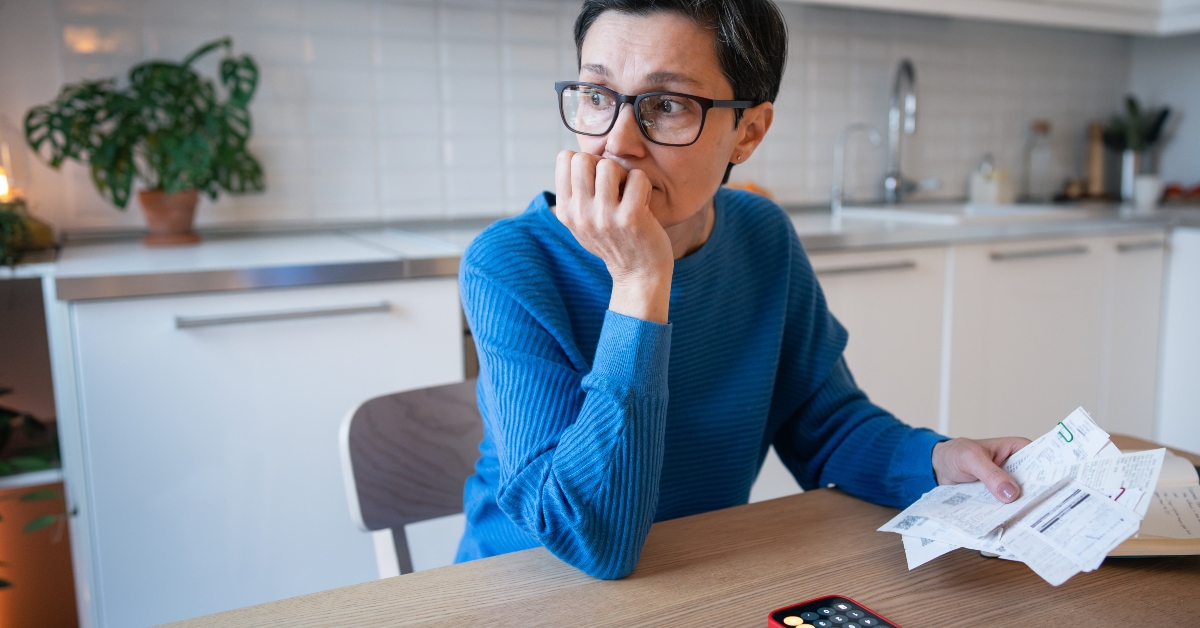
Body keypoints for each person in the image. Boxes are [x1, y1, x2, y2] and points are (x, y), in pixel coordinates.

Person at [454, 0, 1030, 579]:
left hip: (700, 576)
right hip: (526, 591)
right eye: (598, 96)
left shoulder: (762, 235)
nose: (617, 142)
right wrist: (639, 282)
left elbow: (825, 426)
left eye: (668, 104)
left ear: (747, 133)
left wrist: (936, 460)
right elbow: (591, 538)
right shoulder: (510, 264)